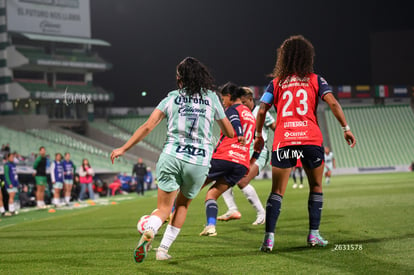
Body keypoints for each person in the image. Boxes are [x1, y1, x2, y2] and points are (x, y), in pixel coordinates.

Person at [110, 57, 234, 263]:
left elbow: (147, 126)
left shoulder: (171, 98)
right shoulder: (212, 98)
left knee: (163, 208)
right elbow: (229, 132)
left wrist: (123, 148)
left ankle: (150, 229)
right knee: (182, 205)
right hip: (198, 161)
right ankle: (163, 250)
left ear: (180, 78)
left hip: (171, 156)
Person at [254, 35, 356, 252]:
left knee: (277, 192)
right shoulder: (316, 79)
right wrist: (346, 129)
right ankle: (313, 235)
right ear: (308, 57)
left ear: (284, 57)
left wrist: (259, 135)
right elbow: (333, 103)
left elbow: (261, 109)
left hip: (284, 140)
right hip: (310, 139)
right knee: (316, 186)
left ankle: (269, 239)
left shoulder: (276, 83)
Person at [199, 82, 257, 236]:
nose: (222, 101)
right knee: (211, 195)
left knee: (191, 187)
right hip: (241, 164)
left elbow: (235, 121)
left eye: (223, 98)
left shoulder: (231, 109)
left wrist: (238, 133)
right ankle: (211, 226)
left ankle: (168, 214)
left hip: (225, 157)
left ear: (230, 96)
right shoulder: (250, 114)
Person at [217, 86, 276, 225]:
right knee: (223, 179)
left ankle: (262, 213)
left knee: (242, 181)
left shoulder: (260, 112)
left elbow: (275, 127)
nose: (242, 105)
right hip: (242, 152)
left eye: (244, 102)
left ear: (250, 99)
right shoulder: (240, 113)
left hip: (258, 153)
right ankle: (232, 209)